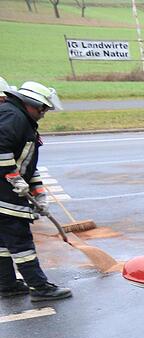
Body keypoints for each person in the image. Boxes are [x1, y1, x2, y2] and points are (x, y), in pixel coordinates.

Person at [1, 81, 71, 301]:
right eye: (43, 109)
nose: (44, 114)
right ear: (32, 104)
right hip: (5, 196)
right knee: (21, 244)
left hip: (6, 193)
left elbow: (26, 163)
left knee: (3, 243)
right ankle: (40, 288)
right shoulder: (13, 117)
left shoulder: (20, 118)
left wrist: (39, 192)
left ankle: (7, 284)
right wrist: (12, 176)